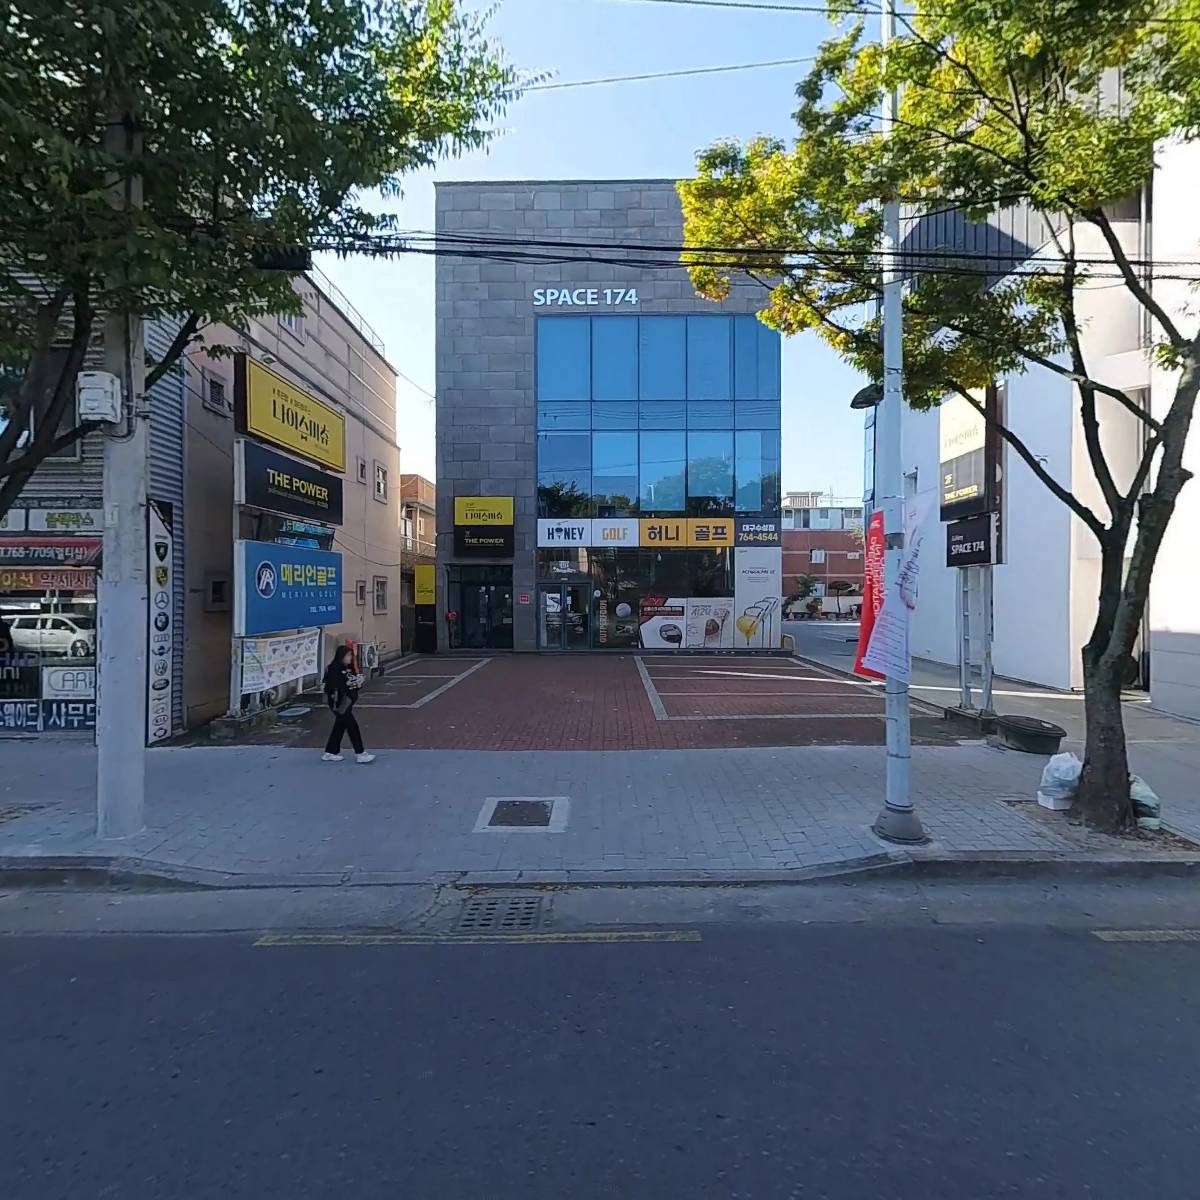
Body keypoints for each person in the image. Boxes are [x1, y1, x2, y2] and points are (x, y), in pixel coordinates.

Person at [321, 645, 375, 764]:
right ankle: (360, 753)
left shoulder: (348, 669)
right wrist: (347, 684)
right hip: (339, 703)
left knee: (340, 726)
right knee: (352, 726)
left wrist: (357, 683)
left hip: (347, 702)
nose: (350, 658)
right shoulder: (333, 669)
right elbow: (331, 687)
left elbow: (351, 685)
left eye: (351, 655)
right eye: (348, 655)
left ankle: (330, 752)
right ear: (341, 656)